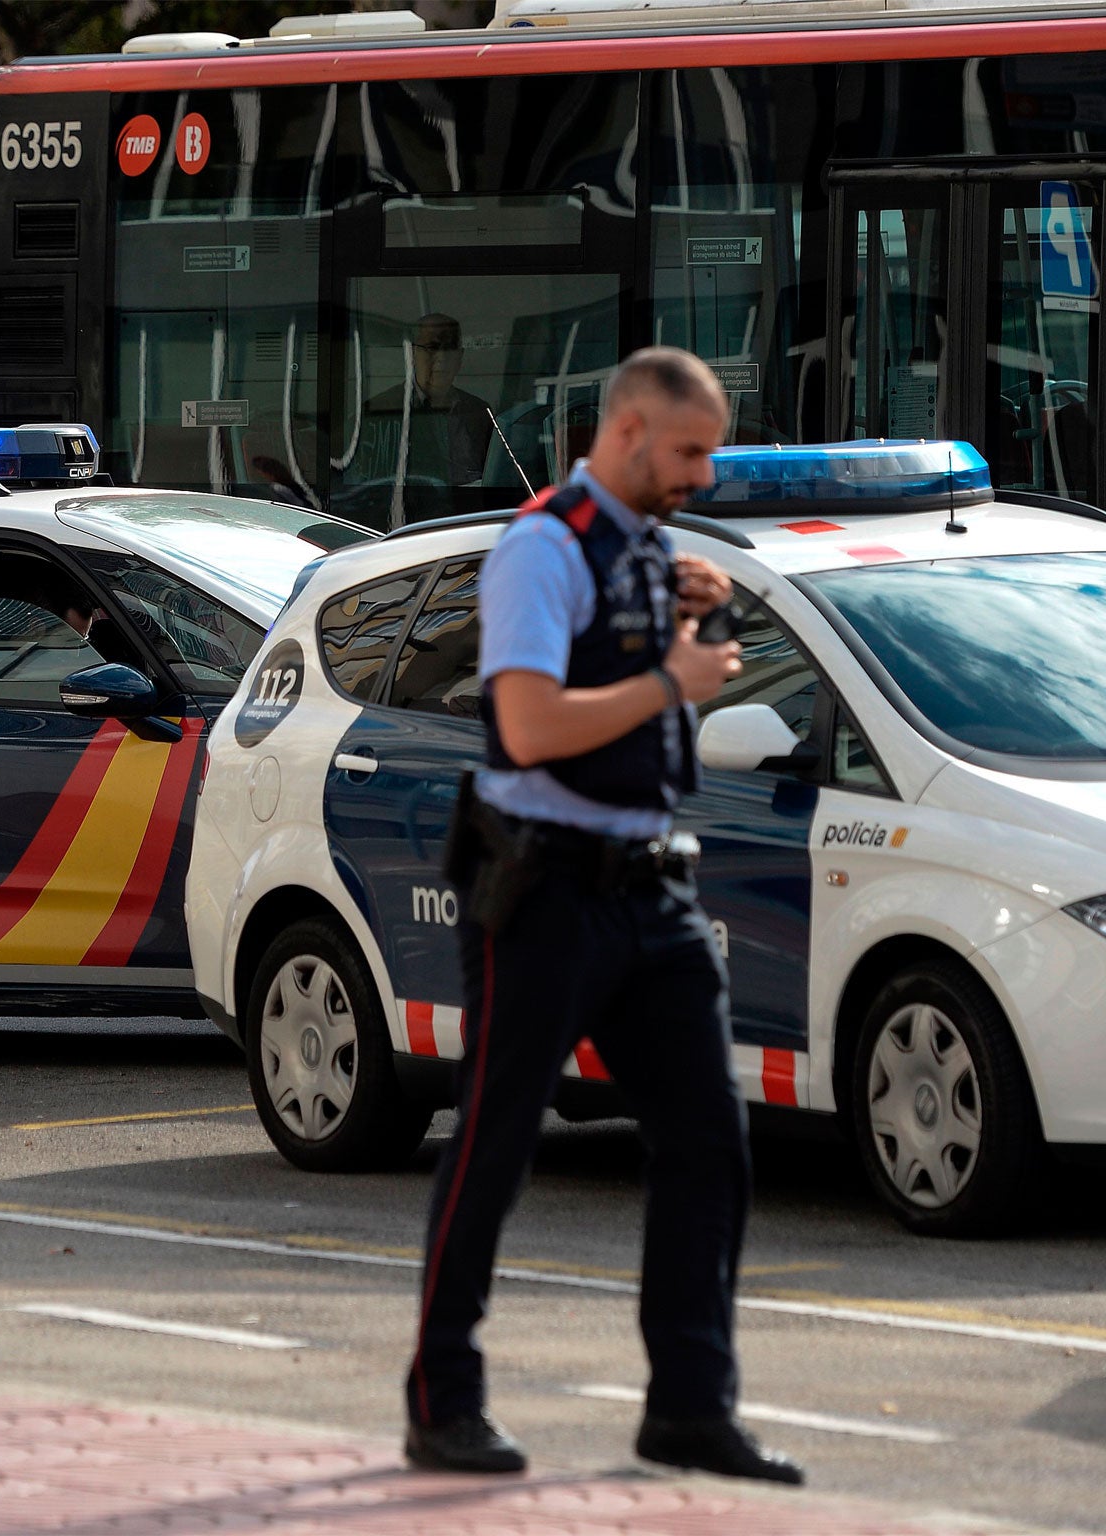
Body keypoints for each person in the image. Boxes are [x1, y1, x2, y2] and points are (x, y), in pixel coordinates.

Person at [402, 346, 802, 1486]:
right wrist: (670, 682)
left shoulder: (648, 551)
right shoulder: (541, 551)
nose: (703, 474)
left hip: (651, 890)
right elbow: (526, 726)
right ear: (626, 433)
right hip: (543, 889)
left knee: (708, 1147)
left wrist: (705, 622)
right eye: (687, 452)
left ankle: (688, 1407)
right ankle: (443, 1400)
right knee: (493, 1141)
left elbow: (663, 678)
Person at [359, 313, 493, 489]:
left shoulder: (480, 412)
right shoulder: (377, 412)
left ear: (460, 357)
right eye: (432, 347)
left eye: (449, 348)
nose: (441, 358)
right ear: (412, 354)